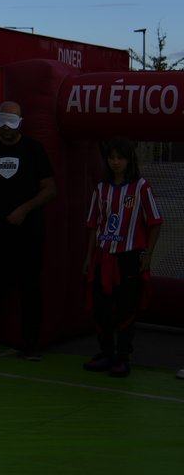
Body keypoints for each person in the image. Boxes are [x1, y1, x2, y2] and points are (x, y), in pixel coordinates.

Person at [0, 102, 56, 359]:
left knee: (30, 286)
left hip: (29, 233)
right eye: (2, 121)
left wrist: (25, 209)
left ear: (20, 122)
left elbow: (50, 189)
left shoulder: (34, 150)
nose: (5, 128)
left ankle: (31, 343)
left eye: (11, 122)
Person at [82, 137, 162, 378]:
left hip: (129, 257)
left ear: (129, 160)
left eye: (121, 157)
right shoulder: (100, 189)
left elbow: (155, 222)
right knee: (102, 307)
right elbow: (93, 225)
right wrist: (88, 257)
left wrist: (147, 254)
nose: (116, 162)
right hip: (104, 256)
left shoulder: (141, 187)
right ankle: (106, 353)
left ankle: (123, 357)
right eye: (112, 157)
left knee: (127, 307)